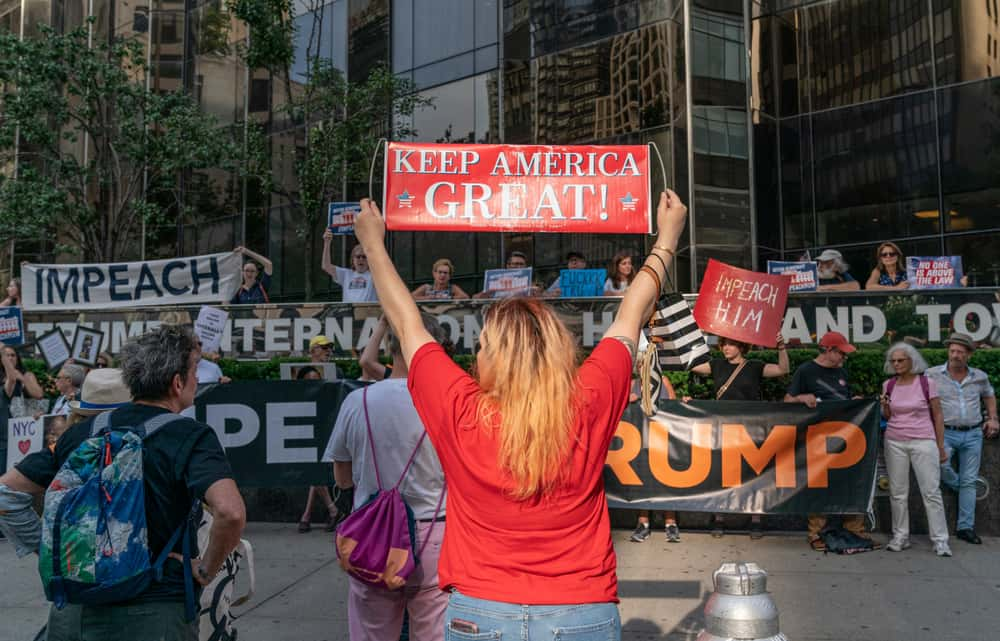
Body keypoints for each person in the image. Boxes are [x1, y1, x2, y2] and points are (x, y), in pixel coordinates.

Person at [351, 188, 686, 639]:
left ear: (499, 357)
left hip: (480, 612)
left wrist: (372, 243)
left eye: (483, 346)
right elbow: (630, 315)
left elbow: (407, 323)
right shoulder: (588, 398)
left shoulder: (461, 408)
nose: (477, 354)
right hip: (582, 612)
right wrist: (667, 238)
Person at [0, 326, 246, 640]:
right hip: (154, 613)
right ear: (177, 382)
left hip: (74, 613)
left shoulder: (80, 434)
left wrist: (60, 550)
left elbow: (6, 493)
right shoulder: (191, 435)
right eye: (194, 371)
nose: (197, 379)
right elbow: (231, 513)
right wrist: (205, 570)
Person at [324, 313, 450, 641]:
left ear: (391, 346)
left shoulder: (358, 401)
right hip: (434, 532)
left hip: (371, 536)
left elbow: (342, 478)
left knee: (371, 632)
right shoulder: (448, 403)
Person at [0, 367, 132, 637]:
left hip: (78, 579)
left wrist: (51, 546)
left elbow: (6, 494)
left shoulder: (68, 443)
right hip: (145, 583)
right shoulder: (153, 440)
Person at [689, 333, 789, 539]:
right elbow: (692, 366)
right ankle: (719, 519)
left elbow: (783, 369)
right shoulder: (716, 365)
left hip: (751, 429)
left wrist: (781, 347)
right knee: (722, 475)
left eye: (731, 344)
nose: (726, 348)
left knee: (753, 476)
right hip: (723, 429)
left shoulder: (754, 366)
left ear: (742, 346)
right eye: (724, 344)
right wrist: (689, 342)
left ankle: (756, 521)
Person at [784, 331, 868, 550]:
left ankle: (854, 530)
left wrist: (855, 402)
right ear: (829, 350)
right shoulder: (806, 370)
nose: (844, 357)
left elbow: (845, 397)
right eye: (841, 353)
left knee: (851, 481)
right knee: (819, 483)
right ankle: (816, 532)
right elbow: (787, 400)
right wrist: (802, 398)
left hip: (846, 435)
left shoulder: (842, 371)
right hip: (819, 436)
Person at [879, 342, 951, 556]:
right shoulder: (888, 385)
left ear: (912, 360)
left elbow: (938, 415)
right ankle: (900, 536)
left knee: (931, 492)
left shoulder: (927, 383)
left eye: (901, 360)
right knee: (898, 493)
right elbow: (888, 417)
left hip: (923, 441)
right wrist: (884, 405)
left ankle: (940, 540)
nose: (897, 364)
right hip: (894, 441)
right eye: (893, 361)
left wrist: (940, 446)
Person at [927, 332, 998, 545]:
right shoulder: (932, 375)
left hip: (974, 433)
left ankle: (965, 528)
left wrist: (993, 418)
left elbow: (989, 395)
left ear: (969, 355)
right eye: (952, 351)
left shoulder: (980, 376)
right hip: (945, 432)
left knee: (969, 478)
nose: (955, 355)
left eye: (960, 352)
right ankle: (966, 488)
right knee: (941, 468)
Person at [297, 334, 340, 532]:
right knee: (314, 467)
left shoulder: (336, 371)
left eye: (329, 348)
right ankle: (330, 511)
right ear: (313, 351)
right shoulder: (300, 372)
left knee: (314, 467)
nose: (328, 351)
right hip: (307, 423)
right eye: (323, 348)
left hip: (326, 424)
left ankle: (309, 515)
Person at [322, 231, 378, 302]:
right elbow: (326, 266)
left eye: (364, 257)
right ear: (353, 259)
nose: (361, 259)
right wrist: (327, 243)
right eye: (358, 257)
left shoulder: (375, 276)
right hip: (348, 312)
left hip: (367, 312)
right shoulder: (346, 274)